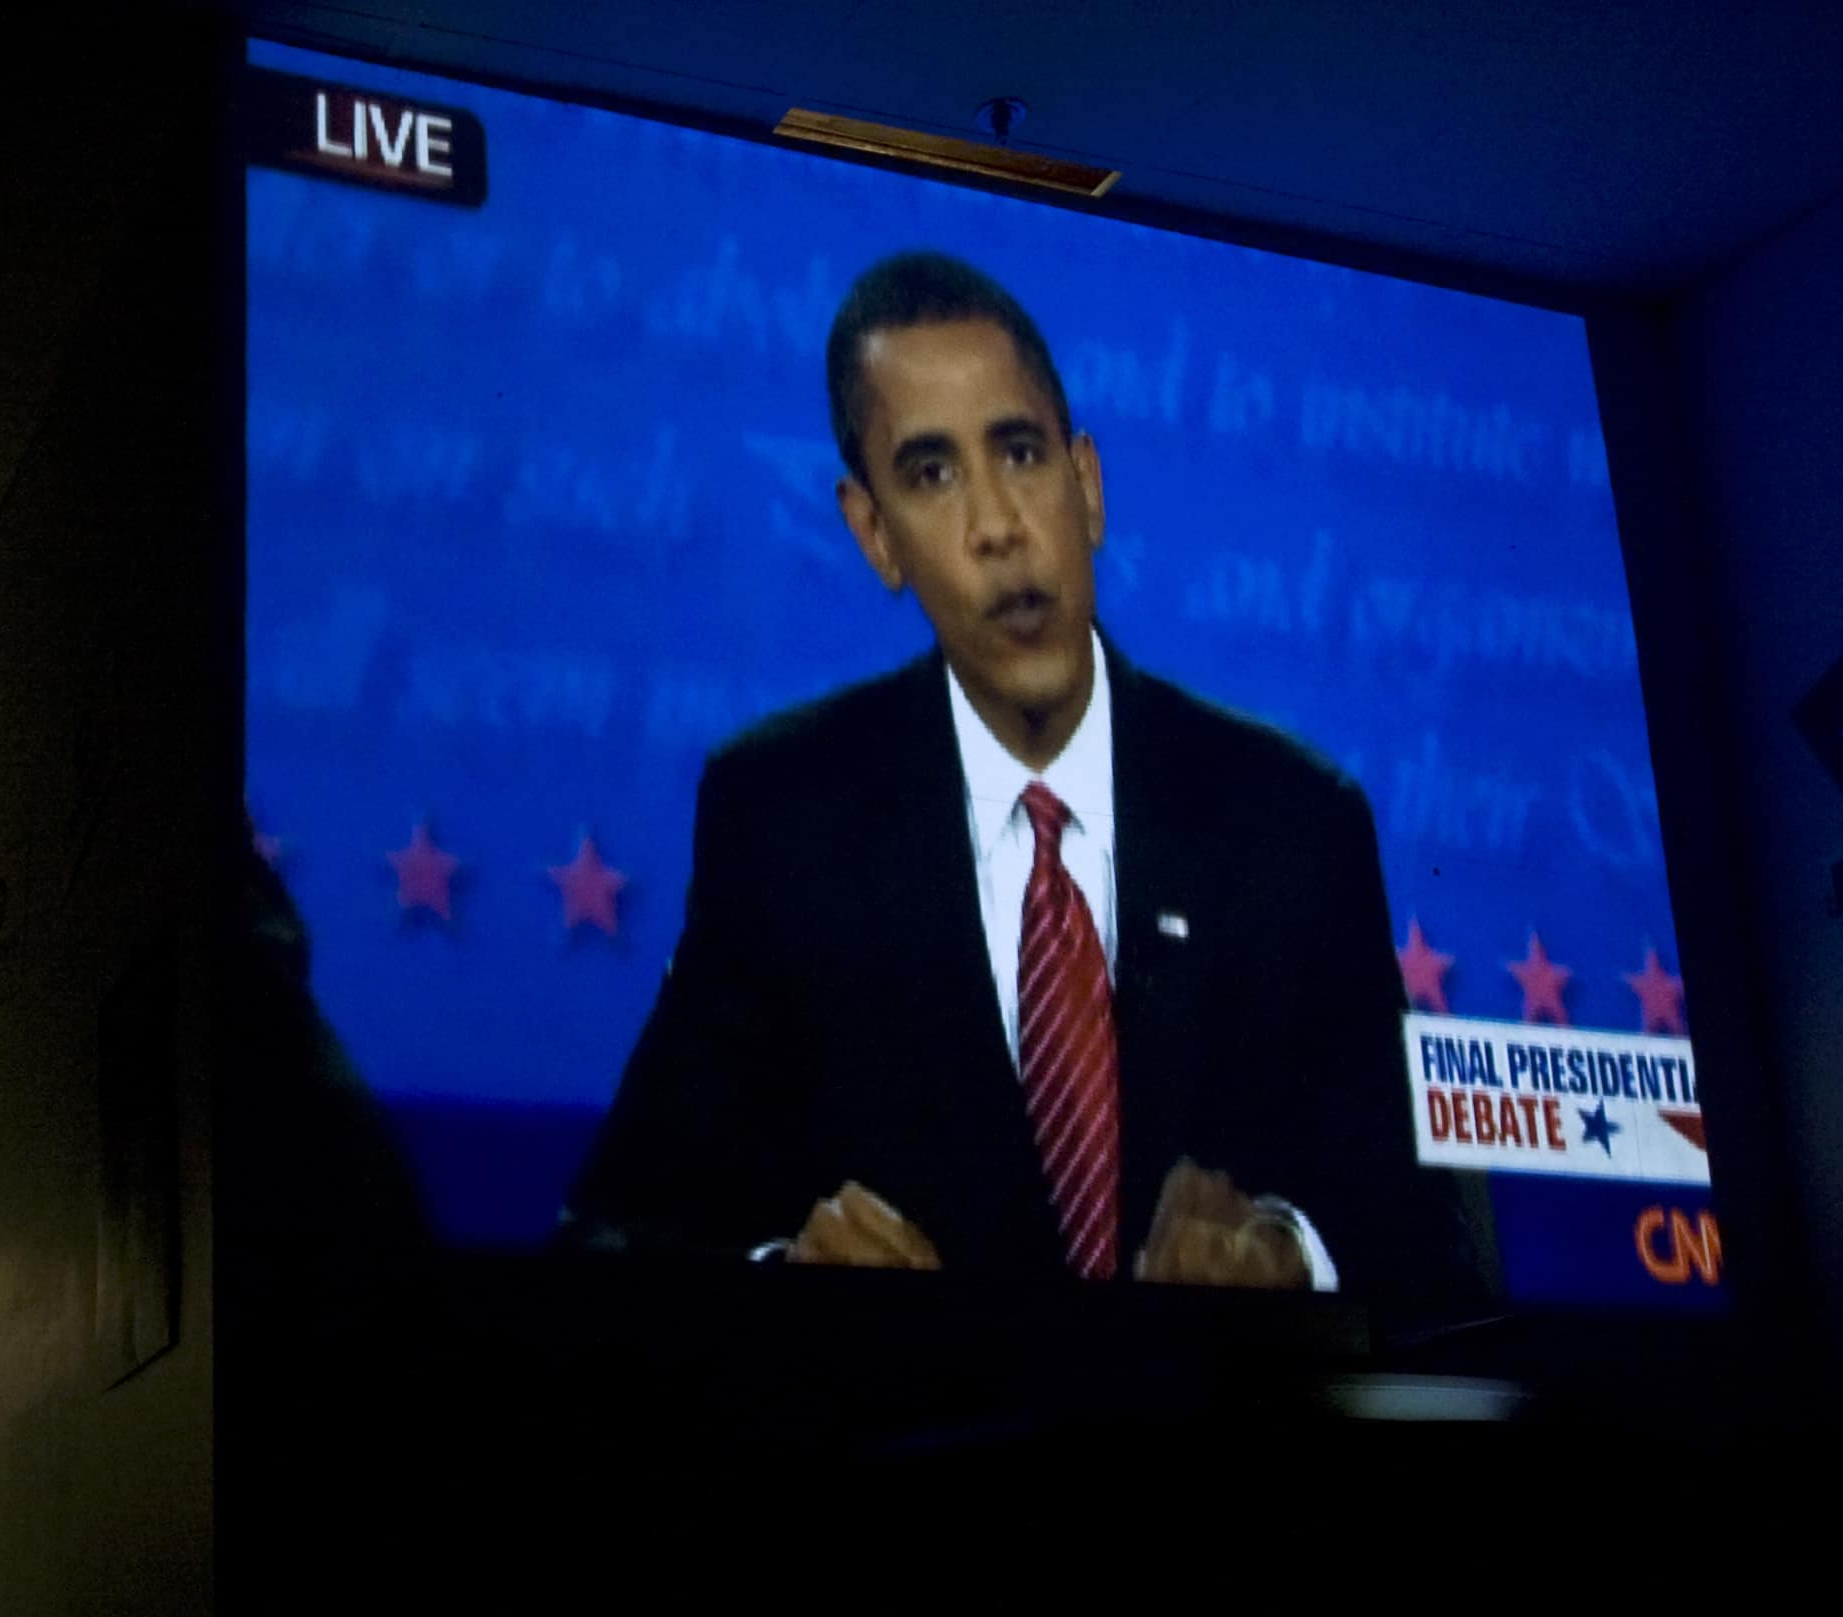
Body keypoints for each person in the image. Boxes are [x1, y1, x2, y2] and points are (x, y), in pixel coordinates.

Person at [560, 250, 1475, 1304]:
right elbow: (607, 1237)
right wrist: (787, 1279)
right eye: (931, 473)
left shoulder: (1292, 819)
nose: (998, 527)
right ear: (874, 534)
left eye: (1021, 452)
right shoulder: (784, 821)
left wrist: (1290, 1259)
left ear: (1086, 487)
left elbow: (1432, 1241)